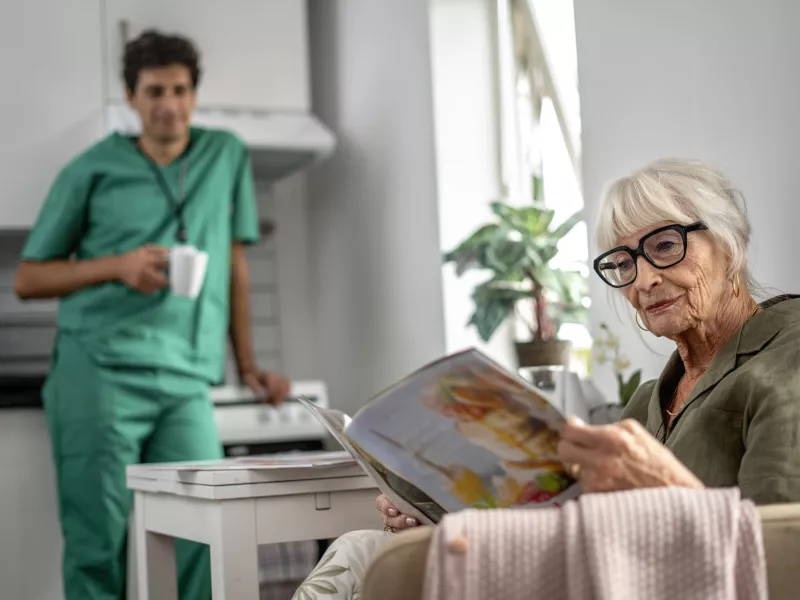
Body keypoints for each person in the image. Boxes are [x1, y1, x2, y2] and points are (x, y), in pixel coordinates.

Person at [294, 158, 800, 599]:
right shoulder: (651, 400)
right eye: (624, 262)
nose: (644, 280)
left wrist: (666, 488)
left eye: (666, 245)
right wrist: (443, 514)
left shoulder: (786, 359)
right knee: (367, 550)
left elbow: (782, 554)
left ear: (733, 244)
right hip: (620, 578)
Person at [14, 30, 290, 600]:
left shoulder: (225, 154)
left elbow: (233, 263)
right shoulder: (91, 169)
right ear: (131, 97)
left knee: (207, 537)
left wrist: (249, 364)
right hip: (100, 372)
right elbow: (29, 277)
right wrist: (117, 265)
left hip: (186, 379)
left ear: (195, 94)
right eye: (155, 90)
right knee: (98, 546)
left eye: (181, 90)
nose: (169, 103)